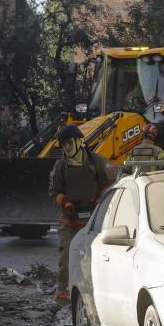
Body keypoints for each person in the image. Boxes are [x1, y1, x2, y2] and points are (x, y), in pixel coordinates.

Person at [47, 124, 116, 306]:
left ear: (79, 142)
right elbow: (53, 191)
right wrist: (64, 202)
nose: (67, 148)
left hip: (95, 220)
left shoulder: (98, 161)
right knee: (67, 260)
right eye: (64, 145)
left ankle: (99, 298)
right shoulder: (60, 166)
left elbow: (113, 183)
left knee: (99, 258)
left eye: (70, 143)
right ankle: (63, 300)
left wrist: (102, 196)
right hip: (71, 221)